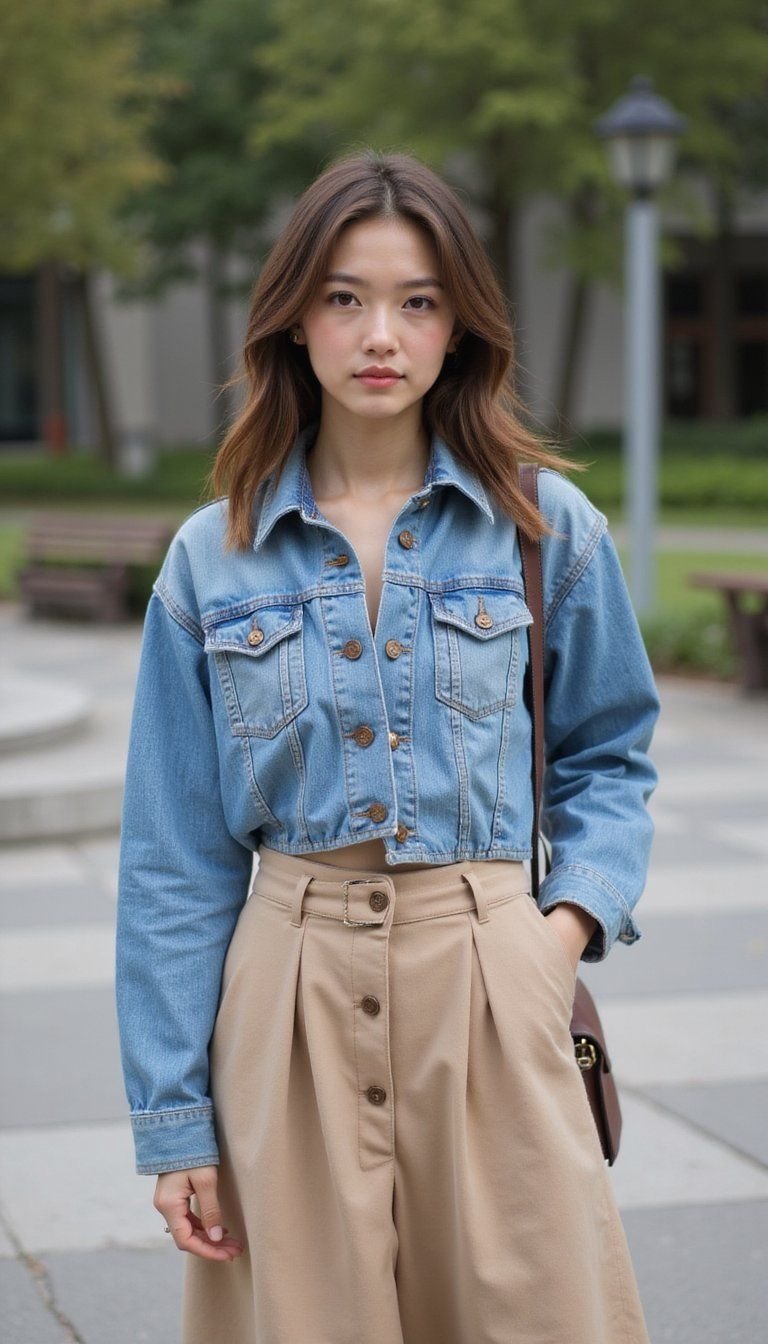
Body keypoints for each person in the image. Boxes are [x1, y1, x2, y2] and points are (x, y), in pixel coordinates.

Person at [115, 148, 661, 1344]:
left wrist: (554, 932)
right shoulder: (213, 558)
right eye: (345, 297)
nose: (381, 334)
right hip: (287, 996)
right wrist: (175, 1126)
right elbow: (173, 858)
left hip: (489, 978)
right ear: (293, 321)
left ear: (458, 327)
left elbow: (611, 757)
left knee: (536, 1317)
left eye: (417, 301)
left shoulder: (544, 526)